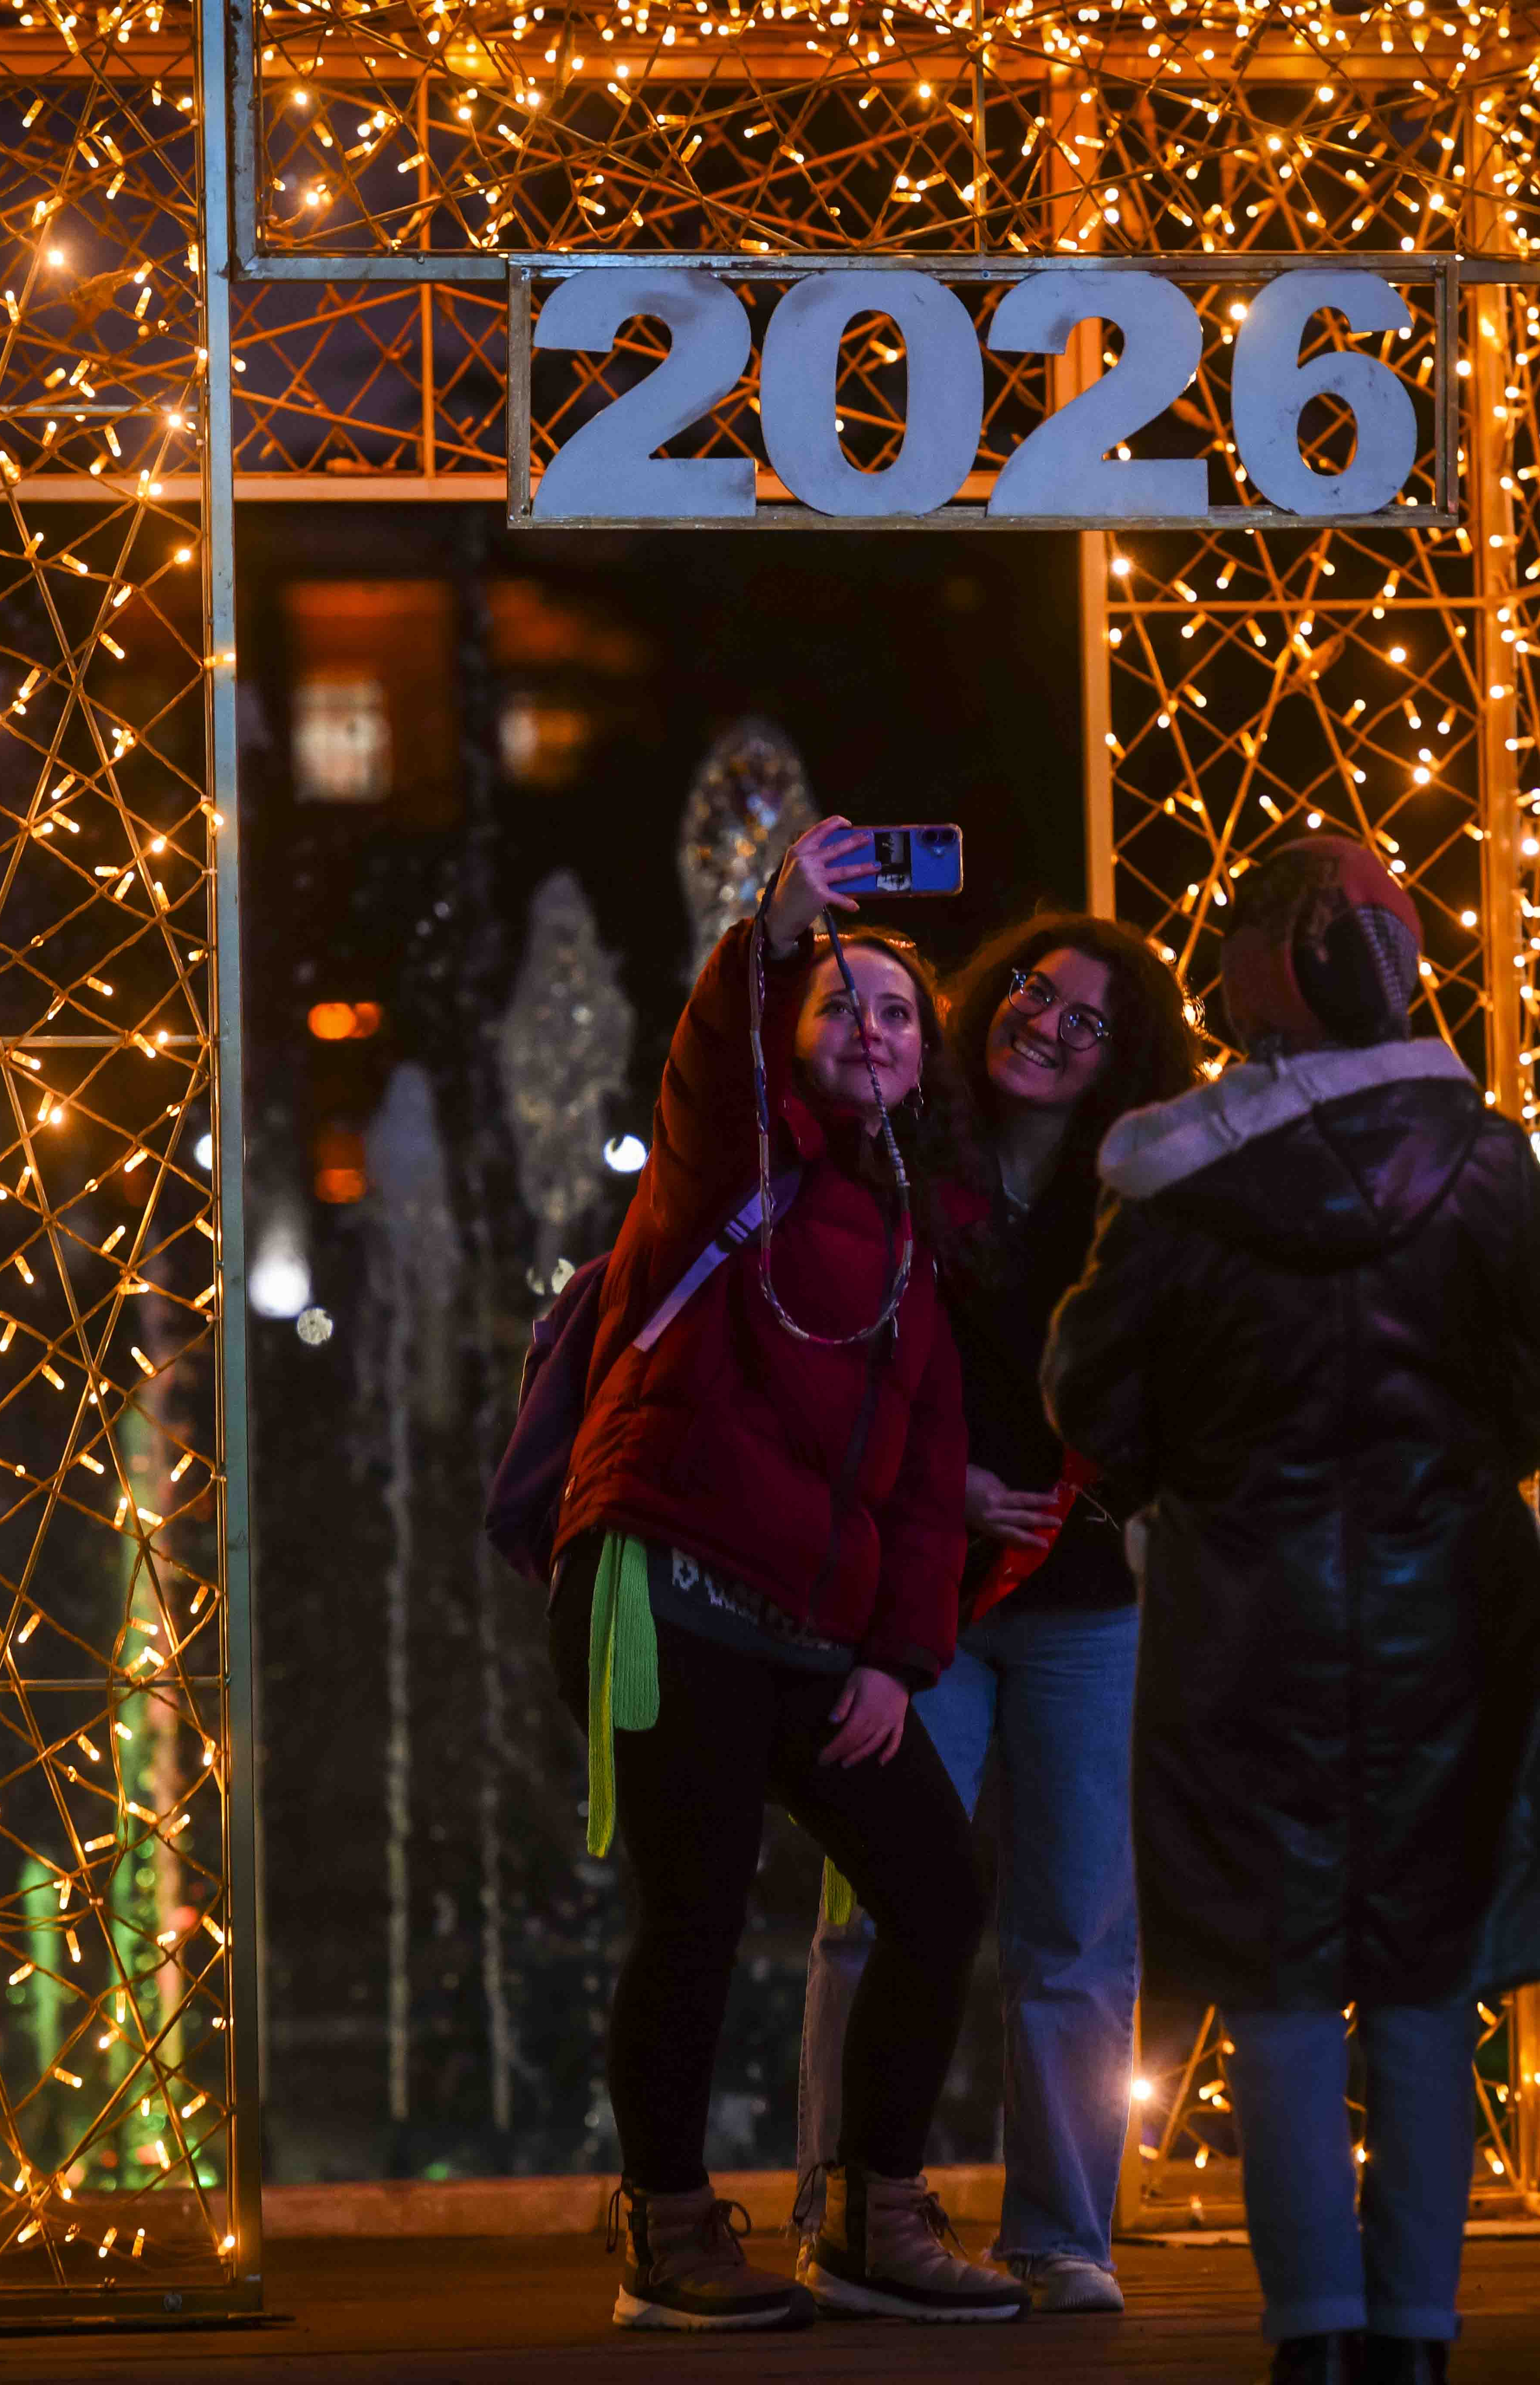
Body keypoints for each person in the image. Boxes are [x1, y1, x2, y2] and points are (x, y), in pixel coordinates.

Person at [1043, 837, 1540, 2385]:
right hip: (1451, 1625)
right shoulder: (1487, 1163)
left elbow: (1092, 1391)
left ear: (1259, 981)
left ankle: (1313, 2337)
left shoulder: (1174, 1176)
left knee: (1279, 1986)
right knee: (1424, 1979)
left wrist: (1184, 1485)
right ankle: (1418, 2334)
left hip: (1239, 1627)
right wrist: (1444, 1482)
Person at [550, 816, 1029, 2330]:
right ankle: (670, 2230)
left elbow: (921, 1479)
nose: (874, 1031)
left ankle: (879, 2219)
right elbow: (713, 1058)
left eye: (899, 1013)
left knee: (939, 1895)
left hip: (822, 1636)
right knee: (695, 1907)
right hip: (671, 1580)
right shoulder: (728, 1157)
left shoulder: (914, 1229)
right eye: (843, 1006)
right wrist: (776, 931)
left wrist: (899, 1656)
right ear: (793, 1033)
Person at [790, 911, 1198, 2315]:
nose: (1049, 1024)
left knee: (1079, 1931)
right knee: (873, 1910)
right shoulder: (908, 1154)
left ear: (1125, 1056)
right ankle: (839, 2209)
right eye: (1035, 992)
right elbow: (837, 1359)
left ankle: (1063, 2234)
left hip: (1092, 1603)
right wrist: (944, 1483)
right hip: (924, 1603)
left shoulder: (1145, 1193)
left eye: (1090, 1018)